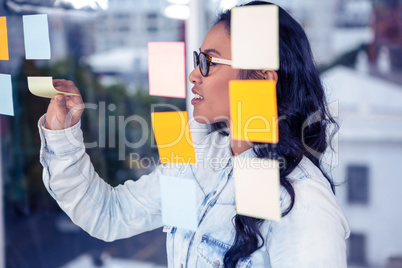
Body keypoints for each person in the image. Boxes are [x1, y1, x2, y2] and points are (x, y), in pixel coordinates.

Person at [38, 1, 350, 267]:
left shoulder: (305, 203)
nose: (193, 74)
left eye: (208, 62)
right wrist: (62, 135)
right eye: (197, 60)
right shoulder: (199, 156)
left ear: (260, 79)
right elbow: (110, 214)